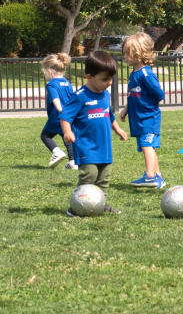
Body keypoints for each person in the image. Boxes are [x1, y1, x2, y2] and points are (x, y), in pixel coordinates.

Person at [60, 51, 128, 215]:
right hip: (86, 146)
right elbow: (65, 116)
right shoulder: (79, 96)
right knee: (89, 175)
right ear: (89, 77)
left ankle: (100, 204)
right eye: (105, 79)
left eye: (111, 79)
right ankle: (76, 206)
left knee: (104, 178)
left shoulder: (105, 94)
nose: (109, 83)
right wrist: (67, 132)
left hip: (104, 146)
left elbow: (109, 114)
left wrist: (117, 129)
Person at [119, 32, 166, 189]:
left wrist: (148, 105)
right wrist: (126, 109)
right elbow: (134, 95)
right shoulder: (134, 74)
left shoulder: (145, 73)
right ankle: (158, 176)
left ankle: (150, 175)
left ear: (138, 54)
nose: (124, 56)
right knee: (149, 147)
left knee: (147, 145)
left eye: (127, 53)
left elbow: (159, 94)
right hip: (138, 119)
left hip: (148, 119)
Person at [40, 53, 77, 169]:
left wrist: (61, 111)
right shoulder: (67, 83)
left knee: (45, 136)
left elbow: (56, 100)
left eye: (44, 72)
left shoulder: (51, 84)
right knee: (66, 136)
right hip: (68, 117)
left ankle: (56, 152)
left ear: (50, 71)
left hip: (57, 116)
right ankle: (73, 161)